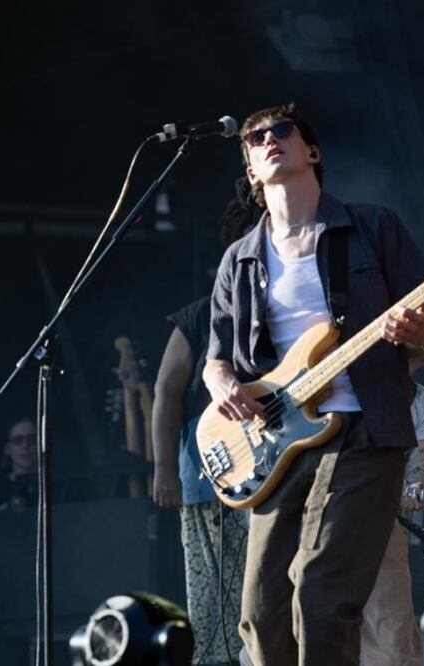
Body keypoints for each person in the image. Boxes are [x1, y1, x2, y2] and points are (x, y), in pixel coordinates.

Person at [202, 103, 424, 665]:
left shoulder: (373, 227)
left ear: (312, 152)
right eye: (256, 138)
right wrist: (223, 387)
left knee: (321, 598)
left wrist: (422, 331)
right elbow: (216, 360)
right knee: (261, 613)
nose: (269, 139)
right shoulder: (240, 260)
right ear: (250, 172)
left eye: (281, 130)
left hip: (363, 429)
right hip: (277, 443)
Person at [151, 178, 260, 666]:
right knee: (213, 599)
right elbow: (166, 392)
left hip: (276, 465)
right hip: (209, 470)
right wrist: (163, 469)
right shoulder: (199, 316)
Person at [360, 304, 424, 666]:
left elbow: (419, 468)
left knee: (391, 623)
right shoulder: (358, 382)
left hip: (378, 519)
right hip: (320, 508)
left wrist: (417, 489)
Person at [0, 418, 39, 511]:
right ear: (7, 448)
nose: (25, 446)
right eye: (17, 440)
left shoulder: (57, 485)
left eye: (31, 439)